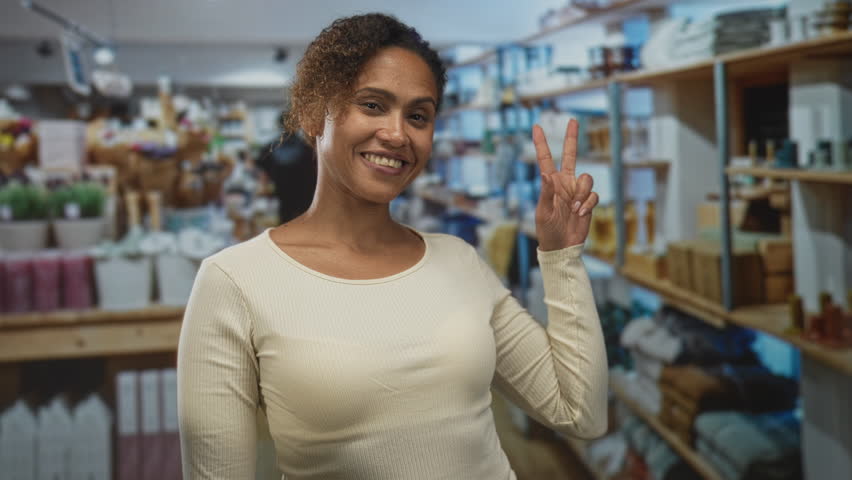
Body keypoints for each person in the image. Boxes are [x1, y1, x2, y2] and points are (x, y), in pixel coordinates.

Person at [177, 13, 607, 480]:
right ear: (310, 113)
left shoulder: (458, 260)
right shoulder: (236, 281)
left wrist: (561, 257)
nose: (398, 134)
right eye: (373, 105)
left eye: (418, 115)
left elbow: (578, 410)